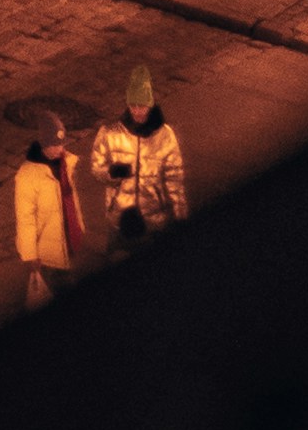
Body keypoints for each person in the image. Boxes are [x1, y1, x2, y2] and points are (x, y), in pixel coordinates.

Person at [91, 66, 189, 250]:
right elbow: (97, 168)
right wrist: (111, 174)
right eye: (133, 105)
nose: (137, 111)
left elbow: (174, 177)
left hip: (153, 219)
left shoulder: (165, 136)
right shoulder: (110, 133)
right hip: (119, 219)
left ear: (150, 104)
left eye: (142, 105)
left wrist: (180, 214)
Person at [13, 124, 73, 308]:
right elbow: (25, 217)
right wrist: (30, 254)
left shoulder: (65, 163)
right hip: (46, 252)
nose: (59, 150)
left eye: (61, 144)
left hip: (65, 242)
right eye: (54, 145)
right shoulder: (27, 175)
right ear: (43, 145)